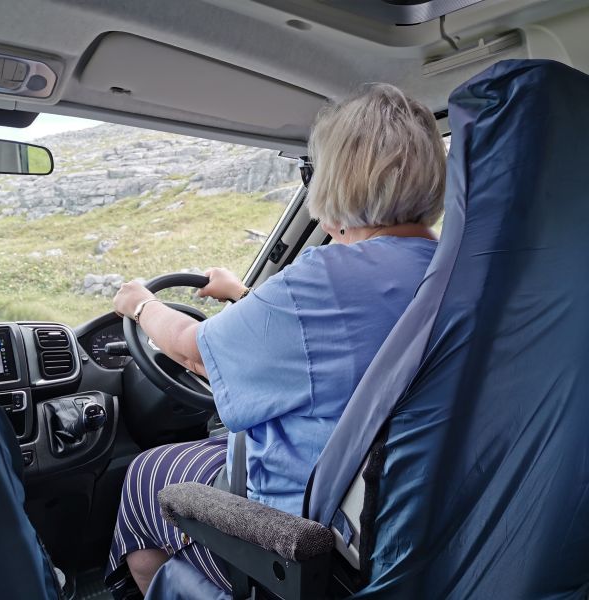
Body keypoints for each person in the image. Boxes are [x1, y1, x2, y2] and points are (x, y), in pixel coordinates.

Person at [105, 83, 447, 597]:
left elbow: (191, 349)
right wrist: (243, 295)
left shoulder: (328, 279)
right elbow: (327, 340)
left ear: (336, 182)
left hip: (307, 542)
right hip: (413, 526)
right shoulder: (454, 275)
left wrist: (140, 304)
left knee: (146, 474)